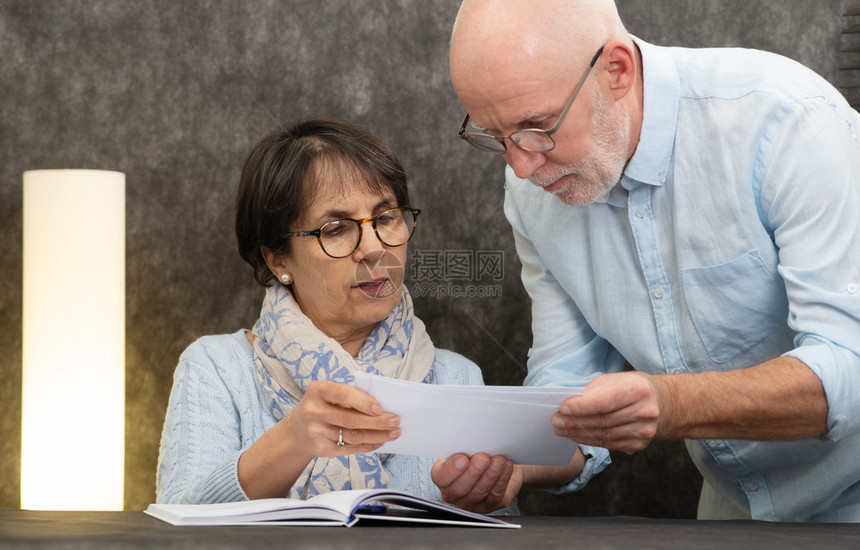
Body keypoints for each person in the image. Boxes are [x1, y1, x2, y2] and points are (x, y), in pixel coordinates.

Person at [441, 0, 860, 521]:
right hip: (734, 509)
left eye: (537, 125)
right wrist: (516, 467)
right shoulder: (531, 190)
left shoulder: (787, 121)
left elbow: (852, 368)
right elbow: (568, 382)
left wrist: (673, 403)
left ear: (617, 70)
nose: (522, 166)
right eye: (494, 136)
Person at [156, 118, 507, 507]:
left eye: (385, 217)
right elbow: (177, 527)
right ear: (276, 259)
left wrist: (473, 505)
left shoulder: (457, 379)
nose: (374, 248)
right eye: (336, 228)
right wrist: (293, 440)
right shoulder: (217, 369)